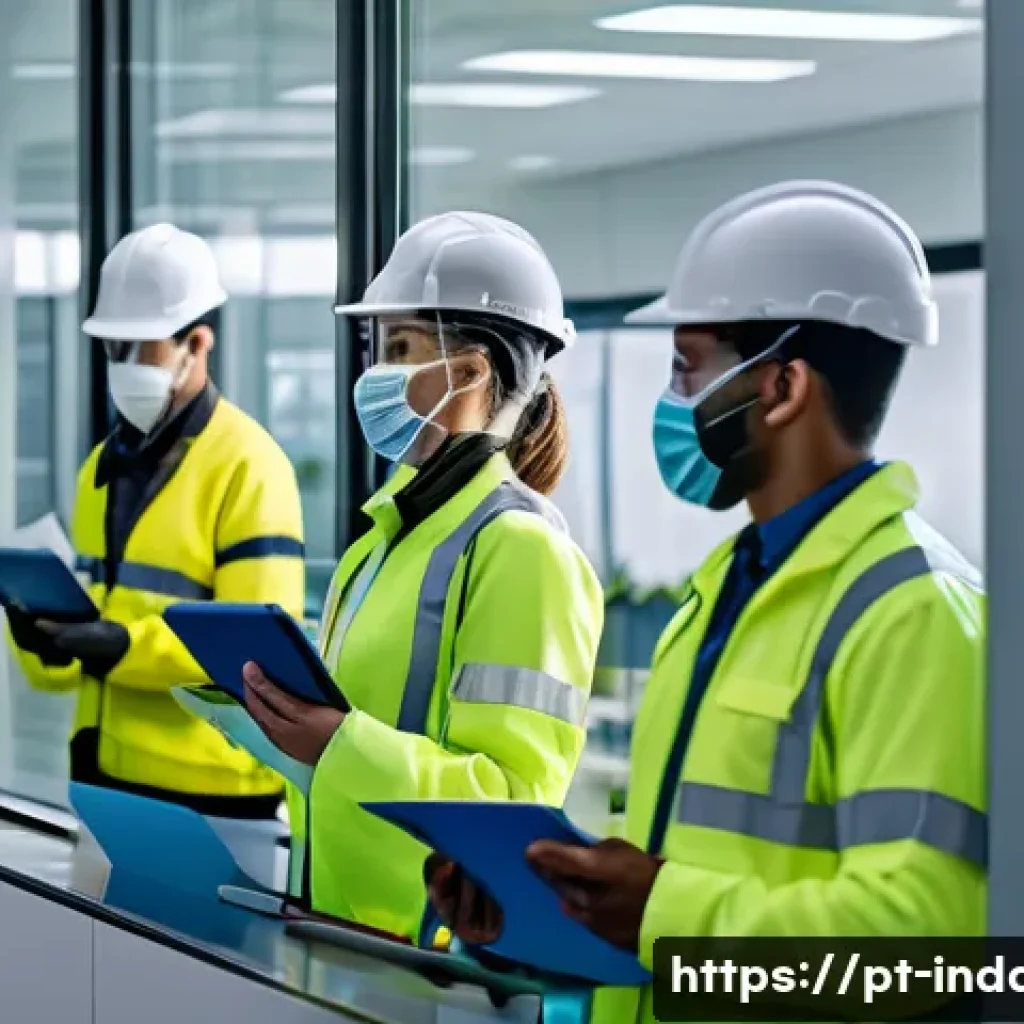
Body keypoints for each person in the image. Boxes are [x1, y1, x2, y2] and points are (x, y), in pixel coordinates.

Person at [425, 181, 987, 1021]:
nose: (674, 401)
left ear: (784, 386)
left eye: (689, 369)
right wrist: (533, 912)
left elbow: (928, 954)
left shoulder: (914, 612)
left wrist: (661, 912)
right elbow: (676, 877)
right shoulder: (726, 593)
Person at [237, 210, 604, 942]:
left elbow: (515, 804)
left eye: (398, 347)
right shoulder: (379, 542)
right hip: (336, 930)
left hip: (433, 960)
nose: (374, 373)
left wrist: (338, 743)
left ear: (470, 373)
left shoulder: (522, 550)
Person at [5, 222, 306, 822]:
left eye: (141, 346)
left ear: (197, 344)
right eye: (114, 347)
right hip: (104, 771)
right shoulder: (101, 466)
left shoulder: (250, 464)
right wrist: (44, 640)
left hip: (210, 792)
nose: (123, 363)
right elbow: (93, 619)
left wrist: (121, 645)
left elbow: (253, 650)